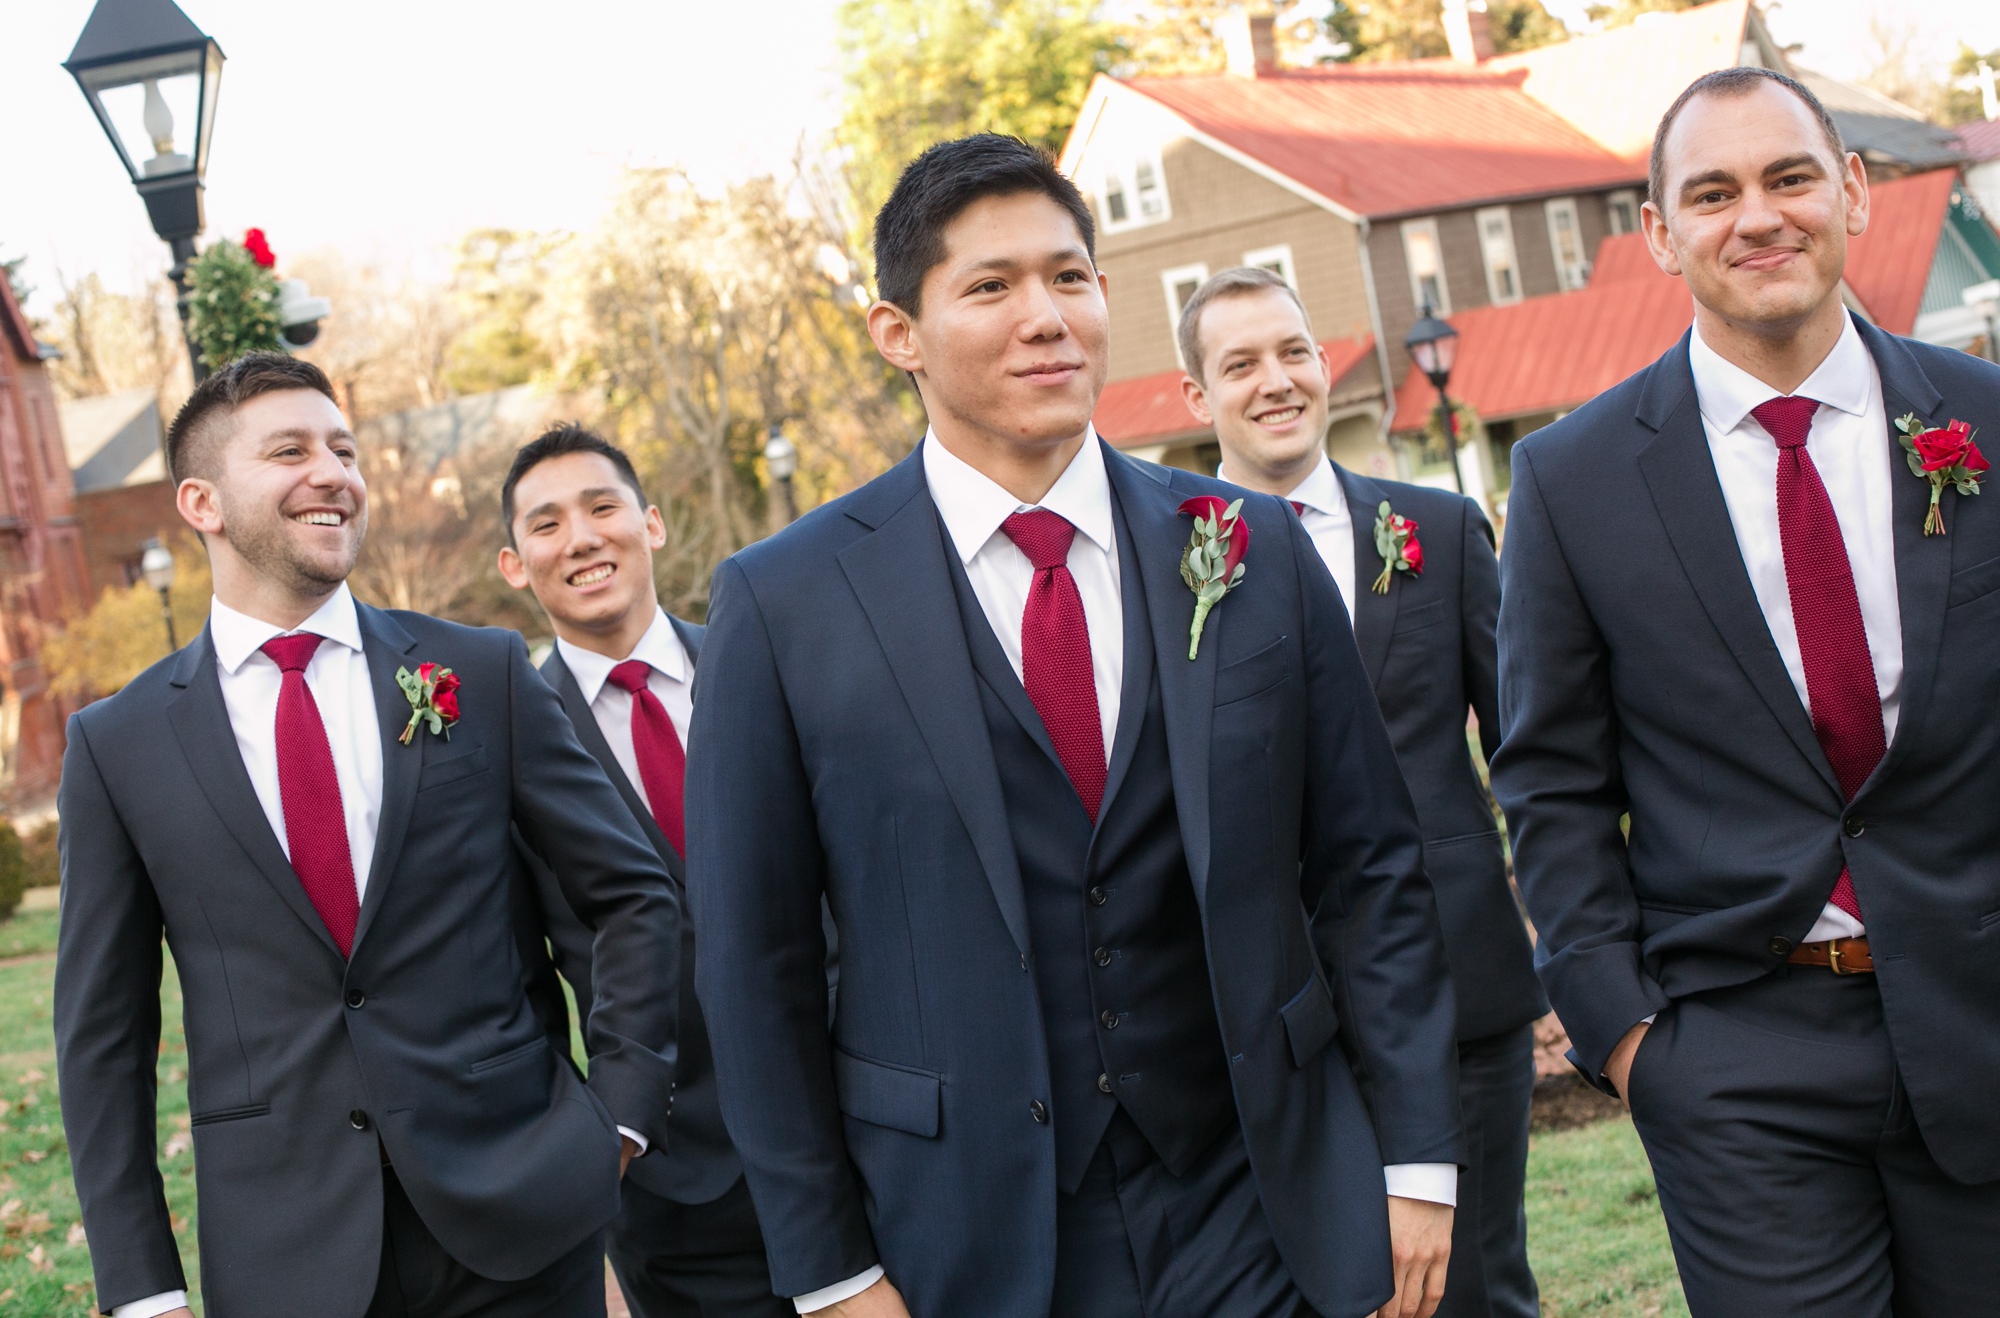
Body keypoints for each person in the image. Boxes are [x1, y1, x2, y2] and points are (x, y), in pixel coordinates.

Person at [686, 132, 1462, 1318]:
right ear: (897, 333)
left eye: (1067, 276)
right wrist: (833, 1270)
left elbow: (1367, 869)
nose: (1044, 315)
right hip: (970, 1231)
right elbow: (754, 963)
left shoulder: (1245, 547)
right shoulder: (784, 601)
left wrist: (1414, 1155)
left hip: (1256, 1200)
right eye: (989, 287)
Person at [1491, 68, 2000, 1316]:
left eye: (1786, 177)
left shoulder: (1984, 419)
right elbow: (1551, 779)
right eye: (1710, 193)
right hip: (1734, 1054)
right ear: (1660, 234)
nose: (1755, 217)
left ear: (1853, 192)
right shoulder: (1571, 479)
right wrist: (1624, 1037)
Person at [54, 353, 682, 1318]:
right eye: (290, 450)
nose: (333, 472)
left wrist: (624, 1116)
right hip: (286, 1252)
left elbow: (629, 894)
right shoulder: (118, 743)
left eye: (342, 449)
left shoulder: (478, 671)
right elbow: (103, 1035)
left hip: (522, 1222)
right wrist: (141, 1286)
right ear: (202, 502)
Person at [1181, 266, 1546, 1318]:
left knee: (1472, 1291)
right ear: (1197, 398)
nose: (1275, 381)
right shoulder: (1169, 559)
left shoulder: (1433, 529)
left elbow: (1526, 748)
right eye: (1239, 363)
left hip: (1456, 992)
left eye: (1292, 352)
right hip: (1256, 1020)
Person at [495, 424, 794, 1318]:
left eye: (602, 507)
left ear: (651, 523)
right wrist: (590, 1151)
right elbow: (518, 982)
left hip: (861, 1131)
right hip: (674, 1186)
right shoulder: (502, 747)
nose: (582, 538)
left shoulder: (769, 663)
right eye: (546, 525)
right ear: (515, 565)